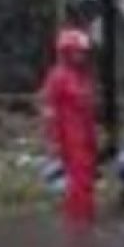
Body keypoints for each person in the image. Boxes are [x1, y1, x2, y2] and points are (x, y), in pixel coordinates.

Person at [40, 28, 97, 223]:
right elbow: (49, 111)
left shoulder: (83, 77)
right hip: (69, 139)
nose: (81, 56)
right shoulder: (57, 77)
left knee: (86, 181)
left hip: (84, 138)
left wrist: (93, 138)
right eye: (77, 51)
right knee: (77, 183)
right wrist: (53, 141)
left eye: (83, 52)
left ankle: (85, 220)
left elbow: (88, 111)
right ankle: (77, 221)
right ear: (67, 52)